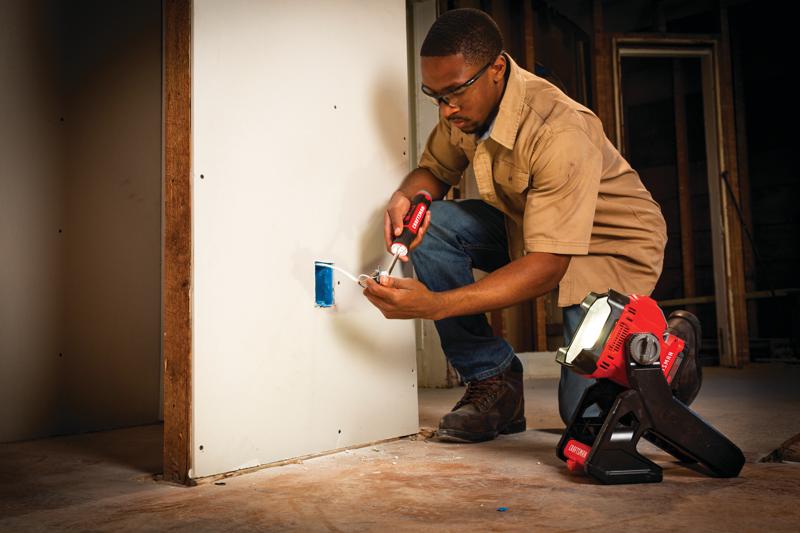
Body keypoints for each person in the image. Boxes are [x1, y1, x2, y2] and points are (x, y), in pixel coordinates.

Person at [363, 8, 700, 443]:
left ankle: (674, 355)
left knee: (586, 418)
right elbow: (435, 170)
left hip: (608, 249)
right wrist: (407, 197)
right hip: (532, 229)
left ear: (497, 69)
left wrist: (436, 305)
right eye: (436, 96)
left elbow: (548, 266)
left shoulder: (559, 129)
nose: (446, 110)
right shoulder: (464, 110)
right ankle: (495, 380)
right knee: (437, 227)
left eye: (454, 93)